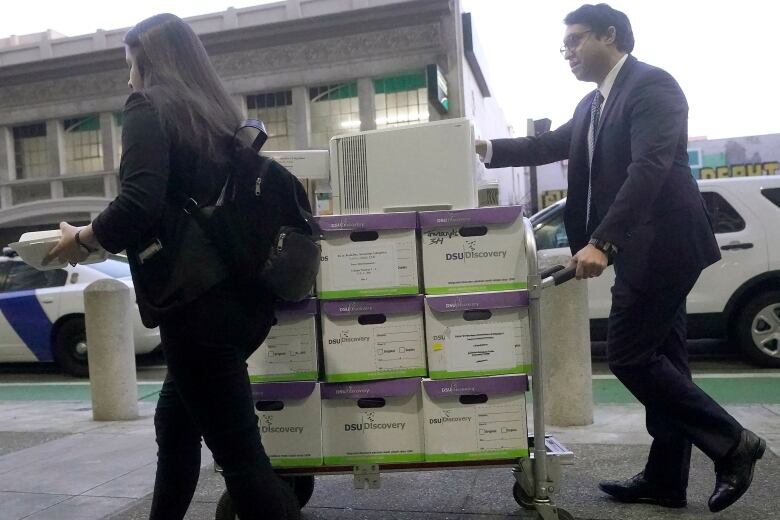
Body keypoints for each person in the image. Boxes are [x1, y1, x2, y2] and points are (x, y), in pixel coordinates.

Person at [476, 3, 764, 513]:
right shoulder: (593, 105)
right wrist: (483, 148)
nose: (566, 52)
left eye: (575, 41)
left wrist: (603, 242)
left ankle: (733, 442)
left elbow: (649, 168)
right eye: (562, 45)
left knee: (630, 356)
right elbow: (546, 143)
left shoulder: (653, 86)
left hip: (666, 244)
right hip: (646, 248)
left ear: (610, 36)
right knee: (667, 361)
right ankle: (666, 479)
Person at [44, 13, 299, 520]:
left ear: (148, 61)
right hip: (244, 301)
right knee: (176, 428)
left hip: (197, 306)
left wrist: (83, 239)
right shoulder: (218, 115)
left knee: (243, 463)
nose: (128, 77)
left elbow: (138, 201)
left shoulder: (149, 105)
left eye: (130, 64)